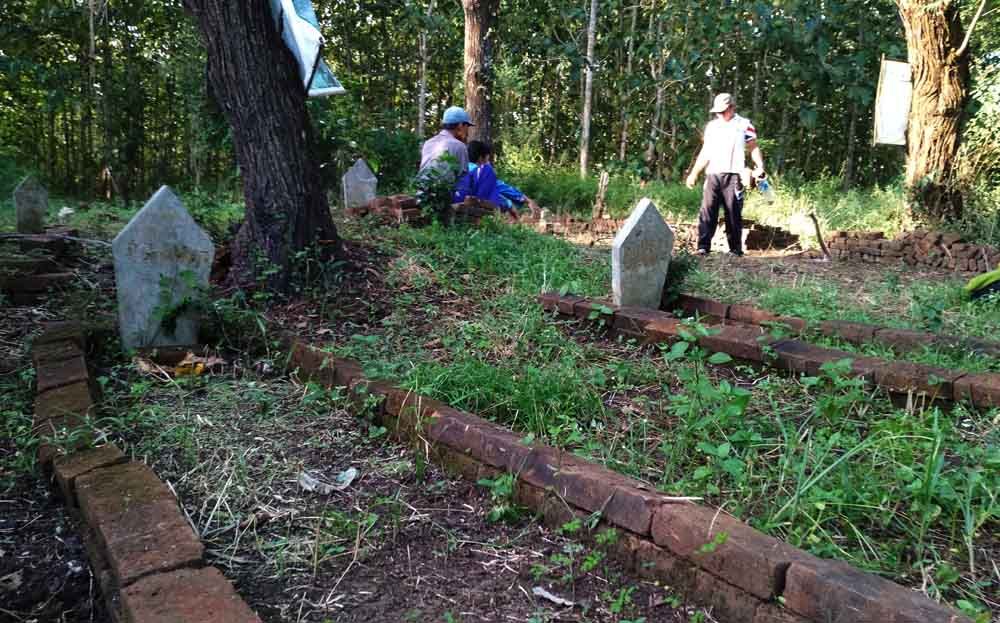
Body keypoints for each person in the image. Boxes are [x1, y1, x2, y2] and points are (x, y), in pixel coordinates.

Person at [686, 93, 765, 257]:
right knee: (707, 210)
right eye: (718, 112)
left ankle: (735, 250)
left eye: (723, 111)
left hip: (734, 175)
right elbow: (705, 152)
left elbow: (753, 147)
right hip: (713, 174)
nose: (720, 115)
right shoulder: (712, 127)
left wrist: (760, 166)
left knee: (733, 212)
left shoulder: (744, 124)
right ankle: (703, 247)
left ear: (731, 108)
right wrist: (694, 173)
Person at [455, 141, 541, 221]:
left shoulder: (458, 167)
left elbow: (497, 186)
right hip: (470, 212)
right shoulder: (481, 171)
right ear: (481, 158)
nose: (488, 162)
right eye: (487, 158)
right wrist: (511, 204)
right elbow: (498, 189)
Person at [418, 106, 474, 188]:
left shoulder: (428, 143)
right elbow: (463, 181)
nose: (467, 131)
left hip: (421, 192)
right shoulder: (459, 146)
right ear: (460, 125)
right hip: (441, 194)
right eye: (467, 126)